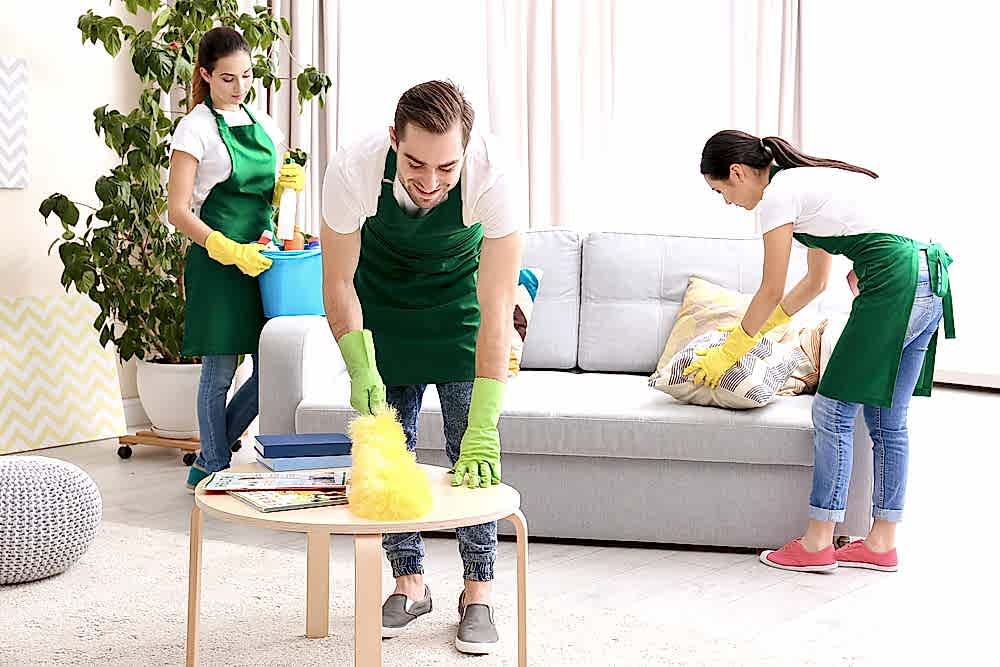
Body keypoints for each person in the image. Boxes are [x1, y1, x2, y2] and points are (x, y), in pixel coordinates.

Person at [691, 130, 954, 573]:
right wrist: (767, 329)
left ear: (737, 173)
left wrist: (731, 350)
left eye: (721, 191)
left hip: (895, 282)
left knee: (832, 411)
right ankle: (881, 543)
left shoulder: (778, 195)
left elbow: (770, 289)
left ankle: (817, 543)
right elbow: (814, 283)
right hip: (929, 277)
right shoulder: (803, 183)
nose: (728, 202)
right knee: (888, 419)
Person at [320, 80, 522, 654]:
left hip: (460, 307)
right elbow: (337, 282)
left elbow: (497, 309)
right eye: (415, 164)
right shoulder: (353, 169)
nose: (430, 183)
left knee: (471, 456)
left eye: (446, 168)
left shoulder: (495, 176)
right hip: (382, 306)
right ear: (393, 139)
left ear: (467, 150)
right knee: (389, 453)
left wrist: (486, 419)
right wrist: (359, 365)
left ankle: (478, 592)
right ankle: (409, 583)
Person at [166, 27, 304, 491]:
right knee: (220, 370)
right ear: (206, 75)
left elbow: (269, 200)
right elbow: (178, 211)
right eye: (228, 78)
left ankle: (212, 454)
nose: (240, 86)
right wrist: (225, 248)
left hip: (263, 260)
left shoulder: (264, 124)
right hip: (217, 262)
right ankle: (215, 463)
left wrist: (286, 191)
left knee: (271, 369)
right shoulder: (195, 129)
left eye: (246, 76)